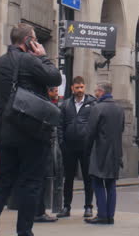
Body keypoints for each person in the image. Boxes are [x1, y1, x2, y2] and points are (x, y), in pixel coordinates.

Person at [0, 23, 61, 236]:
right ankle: (24, 232)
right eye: (35, 39)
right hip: (32, 133)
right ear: (29, 40)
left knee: (3, 182)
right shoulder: (30, 60)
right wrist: (43, 57)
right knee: (31, 184)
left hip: (5, 133)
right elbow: (55, 78)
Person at [84, 82, 125, 225]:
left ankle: (102, 214)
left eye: (96, 90)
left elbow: (90, 132)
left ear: (101, 92)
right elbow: (121, 130)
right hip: (115, 152)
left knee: (97, 182)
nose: (95, 93)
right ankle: (110, 216)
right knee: (111, 184)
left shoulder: (97, 108)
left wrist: (87, 150)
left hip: (100, 151)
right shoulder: (120, 109)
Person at [57, 76, 96, 218]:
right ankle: (66, 206)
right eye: (77, 87)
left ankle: (88, 207)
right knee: (68, 179)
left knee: (87, 178)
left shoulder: (92, 104)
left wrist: (91, 144)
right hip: (69, 147)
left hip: (86, 148)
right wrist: (62, 143)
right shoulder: (66, 105)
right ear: (72, 88)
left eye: (82, 87)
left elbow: (95, 125)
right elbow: (60, 126)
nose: (80, 90)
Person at [34, 87, 61, 223]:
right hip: (43, 147)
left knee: (43, 179)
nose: (57, 93)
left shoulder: (46, 104)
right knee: (41, 180)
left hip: (45, 146)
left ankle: (39, 211)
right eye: (54, 91)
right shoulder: (46, 106)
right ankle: (38, 212)